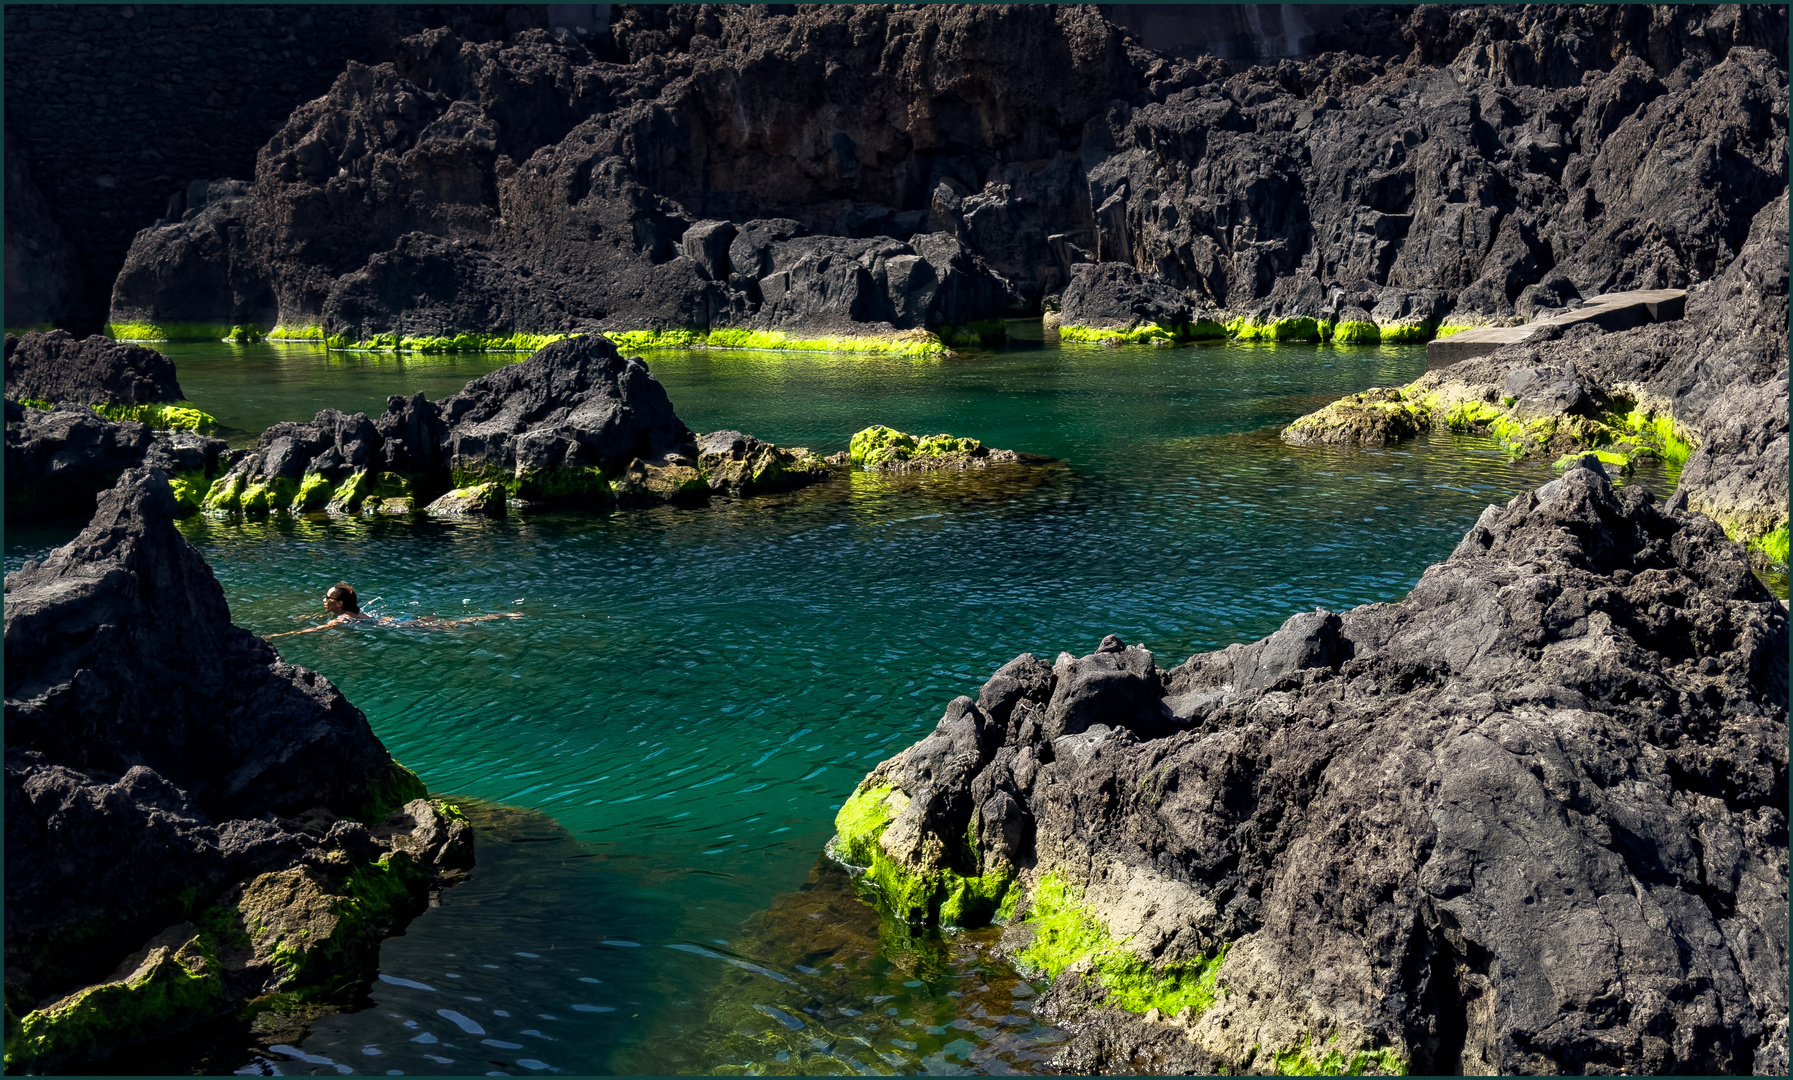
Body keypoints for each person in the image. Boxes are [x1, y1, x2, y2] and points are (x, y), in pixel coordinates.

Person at [267, 582, 522, 638]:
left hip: (396, 625)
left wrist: (276, 637)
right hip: (389, 619)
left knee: (452, 625)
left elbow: (314, 630)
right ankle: (500, 615)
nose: (324, 600)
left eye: (328, 598)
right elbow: (320, 617)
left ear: (340, 604)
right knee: (449, 621)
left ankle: (496, 618)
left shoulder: (343, 619)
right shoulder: (350, 611)